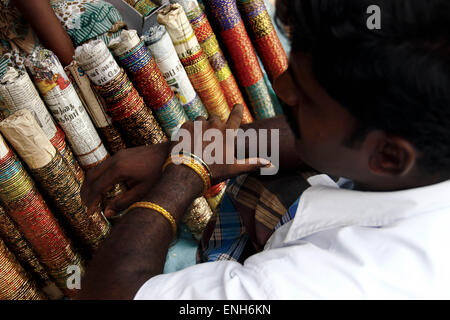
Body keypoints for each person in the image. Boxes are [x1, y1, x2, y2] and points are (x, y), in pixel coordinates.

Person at [78, 0, 450, 299]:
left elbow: (114, 294)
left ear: (389, 157)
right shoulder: (421, 143)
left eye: (307, 96)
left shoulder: (320, 282)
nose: (281, 88)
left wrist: (184, 171)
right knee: (266, 177)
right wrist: (191, 149)